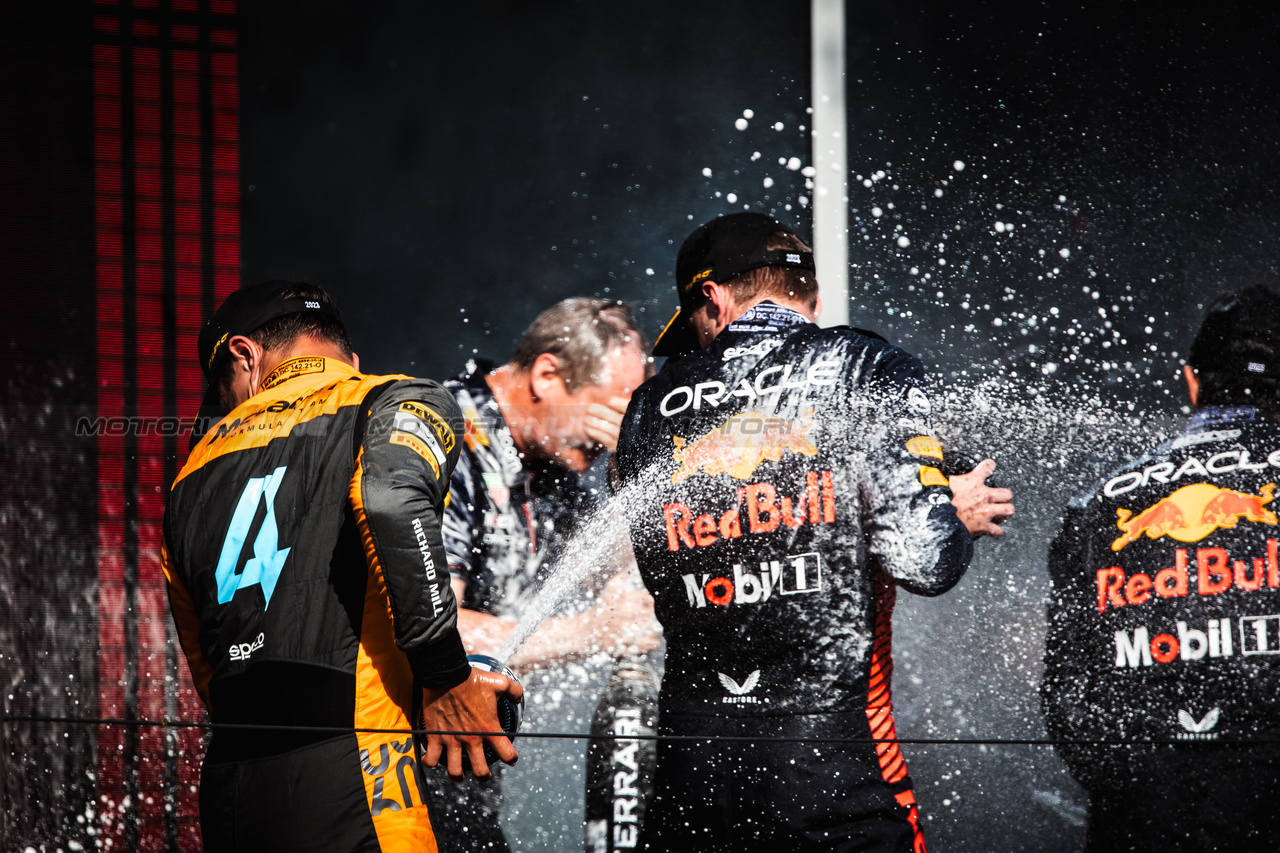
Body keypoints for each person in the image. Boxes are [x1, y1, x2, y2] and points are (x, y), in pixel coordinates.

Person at [613, 212, 1014, 852]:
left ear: (711, 299)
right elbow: (921, 559)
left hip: (693, 790)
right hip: (832, 784)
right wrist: (945, 508)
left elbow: (668, 568)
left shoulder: (648, 406)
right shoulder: (858, 363)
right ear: (813, 299)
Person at [162, 280, 522, 853]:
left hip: (234, 788)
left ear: (246, 355)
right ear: (349, 361)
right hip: (361, 781)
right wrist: (446, 674)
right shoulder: (393, 398)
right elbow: (390, 501)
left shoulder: (190, 472)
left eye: (223, 392)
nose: (231, 408)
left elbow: (206, 663)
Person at [1042, 287, 1280, 852]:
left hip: (1148, 820)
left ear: (1192, 380)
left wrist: (1136, 789)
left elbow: (1067, 694)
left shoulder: (1097, 502)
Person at [422, 298, 661, 852]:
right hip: (394, 769)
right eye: (602, 414)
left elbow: (623, 585)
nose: (605, 437)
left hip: (468, 763)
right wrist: (593, 633)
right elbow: (435, 632)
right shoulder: (446, 438)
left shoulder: (552, 456)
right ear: (547, 375)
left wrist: (635, 468)